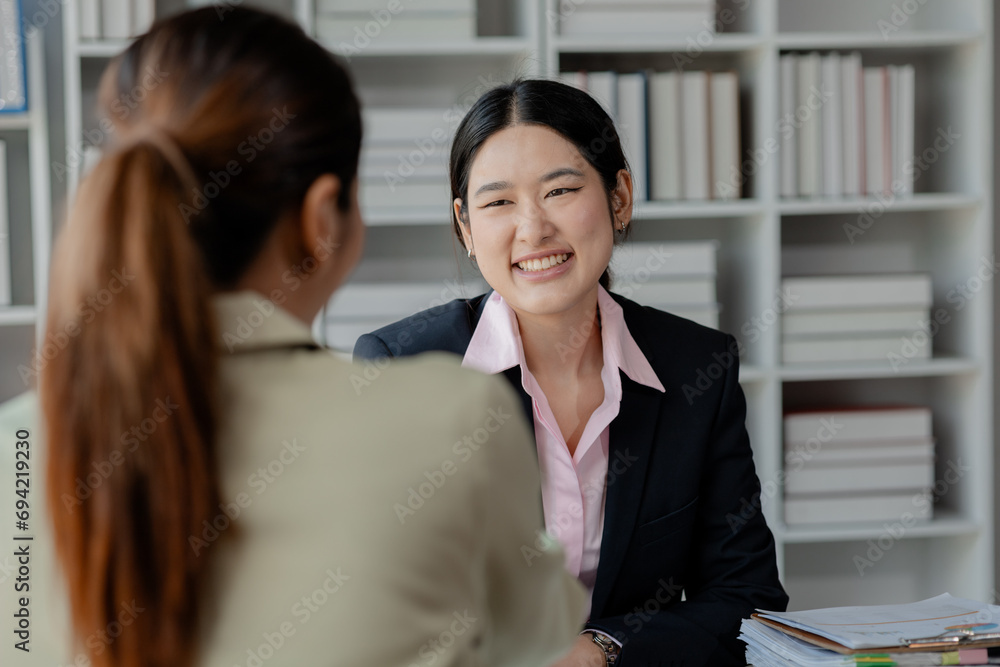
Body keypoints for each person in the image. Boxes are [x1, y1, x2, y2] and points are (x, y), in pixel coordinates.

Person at [17, 10, 586, 667]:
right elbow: (536, 632)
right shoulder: (454, 416)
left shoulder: (18, 446)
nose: (533, 227)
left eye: (562, 189)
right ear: (322, 220)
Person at [354, 78, 789, 666]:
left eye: (560, 190)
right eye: (498, 202)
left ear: (620, 198)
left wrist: (601, 646)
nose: (532, 229)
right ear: (465, 227)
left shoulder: (696, 369)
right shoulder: (403, 369)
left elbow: (748, 598)